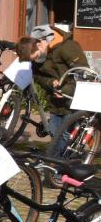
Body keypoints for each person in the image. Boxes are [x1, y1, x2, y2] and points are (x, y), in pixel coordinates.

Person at [29, 23, 89, 153]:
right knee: (55, 133)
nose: (37, 60)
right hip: (55, 101)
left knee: (66, 135)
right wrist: (51, 83)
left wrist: (66, 90)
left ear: (42, 43)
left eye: (38, 55)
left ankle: (59, 163)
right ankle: (58, 163)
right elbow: (37, 76)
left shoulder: (68, 47)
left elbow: (83, 73)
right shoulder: (37, 50)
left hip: (72, 101)